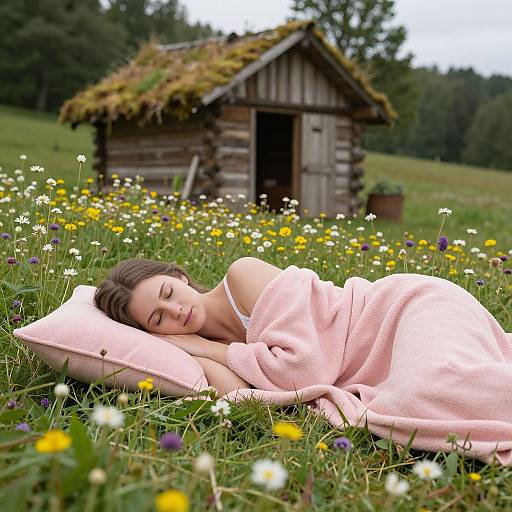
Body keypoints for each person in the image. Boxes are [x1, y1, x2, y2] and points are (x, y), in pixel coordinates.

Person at [94, 257, 282, 396]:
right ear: (154, 333)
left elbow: (302, 366)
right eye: (158, 318)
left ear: (180, 276)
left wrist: (208, 348)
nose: (175, 311)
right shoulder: (196, 354)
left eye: (168, 293)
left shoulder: (244, 275)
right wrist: (200, 352)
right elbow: (245, 399)